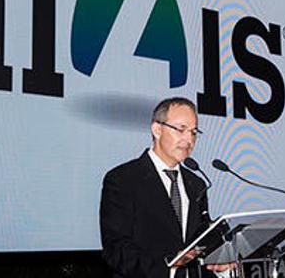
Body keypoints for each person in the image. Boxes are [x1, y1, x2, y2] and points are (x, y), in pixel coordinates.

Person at [100, 97, 233, 278]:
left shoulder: (197, 184)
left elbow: (199, 246)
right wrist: (169, 269)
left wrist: (221, 264)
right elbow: (116, 250)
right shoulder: (123, 180)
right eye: (181, 129)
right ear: (157, 129)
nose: (189, 140)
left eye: (194, 132)